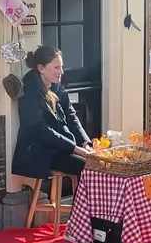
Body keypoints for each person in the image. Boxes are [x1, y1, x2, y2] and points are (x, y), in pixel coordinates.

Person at [12, 45, 92, 181]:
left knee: (98, 163)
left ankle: (94, 201)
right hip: (42, 152)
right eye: (56, 67)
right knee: (88, 166)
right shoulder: (30, 94)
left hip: (62, 147)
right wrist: (76, 149)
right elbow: (43, 131)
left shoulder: (57, 87)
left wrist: (85, 144)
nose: (61, 71)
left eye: (61, 67)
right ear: (41, 68)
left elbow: (72, 119)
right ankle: (84, 202)